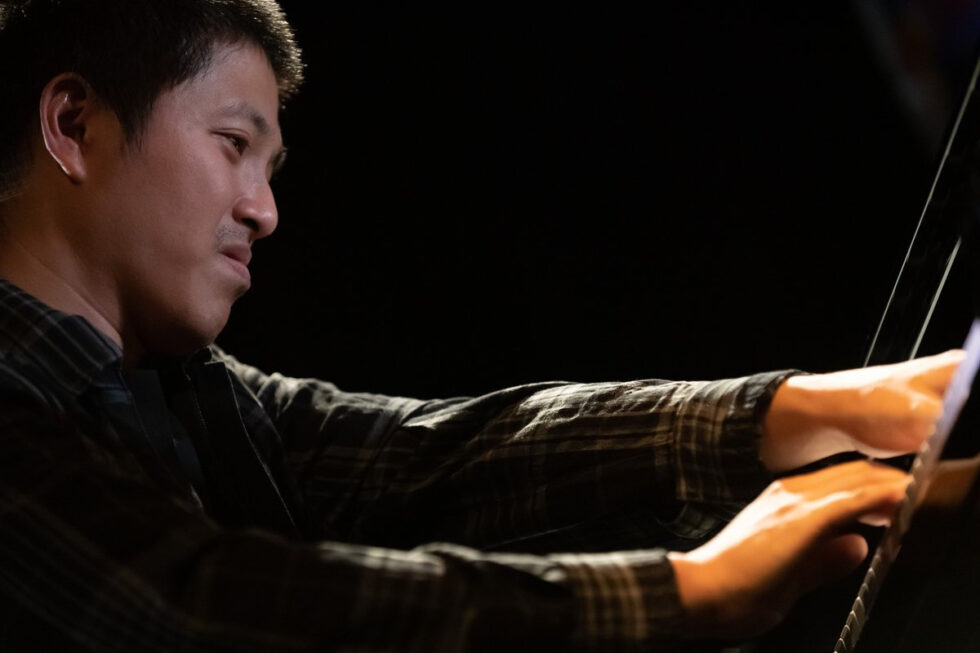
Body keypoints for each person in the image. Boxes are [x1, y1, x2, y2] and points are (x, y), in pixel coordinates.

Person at [0, 0, 963, 650]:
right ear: (74, 124)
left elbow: (433, 456)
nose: (265, 210)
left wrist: (803, 409)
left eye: (270, 167)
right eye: (233, 145)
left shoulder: (190, 390)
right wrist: (692, 587)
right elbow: (200, 604)